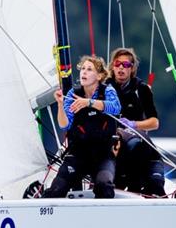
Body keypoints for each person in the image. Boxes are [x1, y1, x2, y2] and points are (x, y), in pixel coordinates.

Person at [42, 56, 121, 199]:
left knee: (104, 186)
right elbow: (64, 124)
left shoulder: (107, 90)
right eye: (83, 69)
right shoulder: (73, 94)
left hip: (103, 154)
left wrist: (89, 103)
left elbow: (115, 107)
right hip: (78, 154)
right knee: (55, 191)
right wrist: (60, 104)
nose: (84, 72)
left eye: (89, 69)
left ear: (99, 76)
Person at [107, 48, 165, 196]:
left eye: (126, 65)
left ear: (131, 69)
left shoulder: (142, 89)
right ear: (112, 66)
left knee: (155, 186)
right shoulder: (103, 88)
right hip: (115, 148)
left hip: (139, 147)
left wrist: (133, 124)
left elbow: (154, 122)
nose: (121, 67)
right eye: (117, 63)